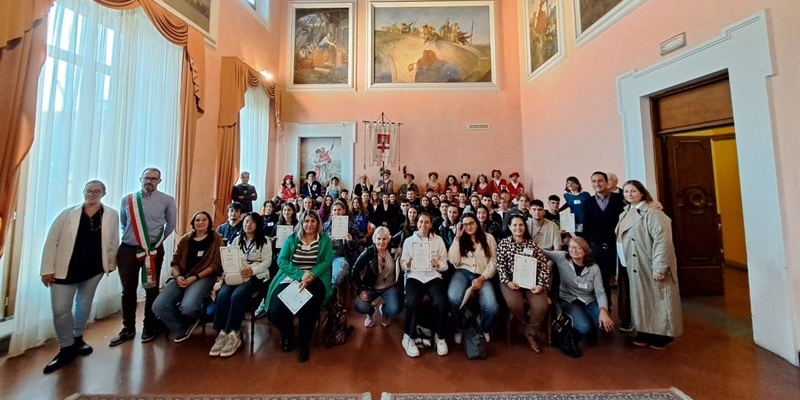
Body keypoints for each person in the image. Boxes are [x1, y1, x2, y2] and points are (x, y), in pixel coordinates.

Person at [40, 180, 120, 373]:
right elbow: (52, 240)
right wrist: (47, 269)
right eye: (88, 191)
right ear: (83, 192)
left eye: (96, 191)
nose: (92, 194)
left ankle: (77, 338)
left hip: (93, 269)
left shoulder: (111, 214)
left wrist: (110, 263)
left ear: (104, 193)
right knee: (60, 309)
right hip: (64, 270)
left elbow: (113, 241)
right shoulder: (68, 214)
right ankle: (65, 347)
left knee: (84, 304)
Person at [110, 167, 177, 346]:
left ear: (159, 181)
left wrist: (154, 243)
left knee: (152, 289)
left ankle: (149, 326)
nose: (150, 181)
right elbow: (124, 224)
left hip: (153, 251)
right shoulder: (128, 200)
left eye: (154, 179)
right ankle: (128, 328)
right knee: (128, 290)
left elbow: (171, 225)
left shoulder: (167, 200)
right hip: (128, 251)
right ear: (140, 179)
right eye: (147, 178)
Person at [616, 180, 683, 350]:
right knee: (641, 299)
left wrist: (659, 266)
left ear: (642, 193)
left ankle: (662, 334)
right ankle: (645, 331)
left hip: (648, 262)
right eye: (626, 191)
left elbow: (663, 241)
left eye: (633, 191)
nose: (629, 194)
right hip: (630, 263)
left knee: (658, 298)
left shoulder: (653, 213)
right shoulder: (624, 212)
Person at [265, 210, 333, 363]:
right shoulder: (292, 239)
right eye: (306, 221)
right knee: (275, 312)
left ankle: (303, 343)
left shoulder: (325, 240)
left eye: (313, 221)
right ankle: (288, 335)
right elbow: (282, 261)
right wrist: (300, 275)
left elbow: (327, 261)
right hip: (291, 277)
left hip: (316, 278)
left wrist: (311, 275)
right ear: (302, 223)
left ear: (318, 223)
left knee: (309, 307)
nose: (309, 224)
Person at [153, 211, 223, 342]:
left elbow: (216, 265)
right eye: (197, 220)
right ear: (193, 223)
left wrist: (196, 277)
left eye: (204, 220)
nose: (200, 222)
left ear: (209, 223)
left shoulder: (216, 238)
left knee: (188, 307)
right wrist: (178, 276)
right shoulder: (185, 239)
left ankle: (193, 318)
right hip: (182, 276)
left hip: (203, 277)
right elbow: (175, 262)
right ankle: (182, 327)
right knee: (158, 306)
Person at [210, 212, 272, 358]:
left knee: (237, 296)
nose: (247, 224)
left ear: (257, 224)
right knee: (223, 294)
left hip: (255, 275)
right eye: (245, 222)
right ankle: (222, 332)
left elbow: (267, 262)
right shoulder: (237, 239)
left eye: (251, 222)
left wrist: (252, 270)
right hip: (236, 274)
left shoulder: (264, 241)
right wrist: (227, 272)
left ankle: (234, 333)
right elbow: (229, 258)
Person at [543, 237, 615, 357]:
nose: (573, 250)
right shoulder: (562, 257)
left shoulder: (594, 268)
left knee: (603, 323)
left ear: (586, 250)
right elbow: (543, 252)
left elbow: (600, 292)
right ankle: (567, 338)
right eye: (571, 247)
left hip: (588, 300)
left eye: (577, 247)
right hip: (568, 300)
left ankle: (591, 330)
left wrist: (603, 310)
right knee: (584, 326)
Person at [496, 214, 550, 354]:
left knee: (540, 305)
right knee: (514, 304)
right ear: (509, 227)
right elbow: (500, 265)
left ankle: (530, 332)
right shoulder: (504, 244)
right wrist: (507, 282)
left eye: (520, 225)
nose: (518, 228)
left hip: (532, 282)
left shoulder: (532, 244)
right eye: (514, 225)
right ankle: (527, 324)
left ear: (524, 227)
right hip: (511, 282)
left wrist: (540, 284)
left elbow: (543, 265)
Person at [400, 213, 450, 357]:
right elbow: (403, 264)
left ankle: (440, 337)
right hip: (414, 277)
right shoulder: (409, 241)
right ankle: (408, 337)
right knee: (411, 302)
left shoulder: (438, 240)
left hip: (432, 277)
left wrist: (438, 263)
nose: (423, 225)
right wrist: (407, 264)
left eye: (426, 222)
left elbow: (445, 265)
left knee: (441, 302)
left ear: (430, 224)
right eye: (421, 222)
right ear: (417, 223)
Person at [447, 213, 498, 343]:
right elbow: (453, 260)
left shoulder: (488, 238)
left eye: (471, 223)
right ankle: (460, 326)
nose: (468, 226)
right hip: (463, 272)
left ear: (477, 223)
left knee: (492, 307)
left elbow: (494, 261)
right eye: (465, 224)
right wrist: (457, 238)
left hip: (482, 274)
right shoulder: (460, 239)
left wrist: (482, 278)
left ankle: (484, 328)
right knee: (453, 297)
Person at [584, 171, 626, 319]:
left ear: (607, 182)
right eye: (594, 181)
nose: (597, 184)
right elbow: (586, 226)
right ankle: (605, 309)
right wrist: (586, 246)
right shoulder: (588, 202)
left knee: (622, 281)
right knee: (601, 280)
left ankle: (626, 316)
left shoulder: (620, 199)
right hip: (596, 247)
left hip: (617, 246)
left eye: (600, 181)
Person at [351, 226, 402, 328]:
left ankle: (384, 310)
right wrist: (361, 290)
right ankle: (371, 312)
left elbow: (403, 232)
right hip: (372, 287)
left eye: (384, 239)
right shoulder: (369, 252)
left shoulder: (393, 249)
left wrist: (401, 248)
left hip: (389, 286)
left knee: (395, 309)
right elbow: (354, 270)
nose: (381, 242)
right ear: (374, 240)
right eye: (378, 239)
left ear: (388, 239)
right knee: (360, 306)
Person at [323, 200, 360, 287]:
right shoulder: (326, 226)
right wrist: (327, 242)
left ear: (344, 211)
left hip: (343, 257)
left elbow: (357, 247)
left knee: (335, 279)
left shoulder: (352, 227)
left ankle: (332, 296)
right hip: (327, 256)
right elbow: (320, 245)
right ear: (332, 211)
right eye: (335, 210)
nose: (337, 212)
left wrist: (351, 241)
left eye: (339, 210)